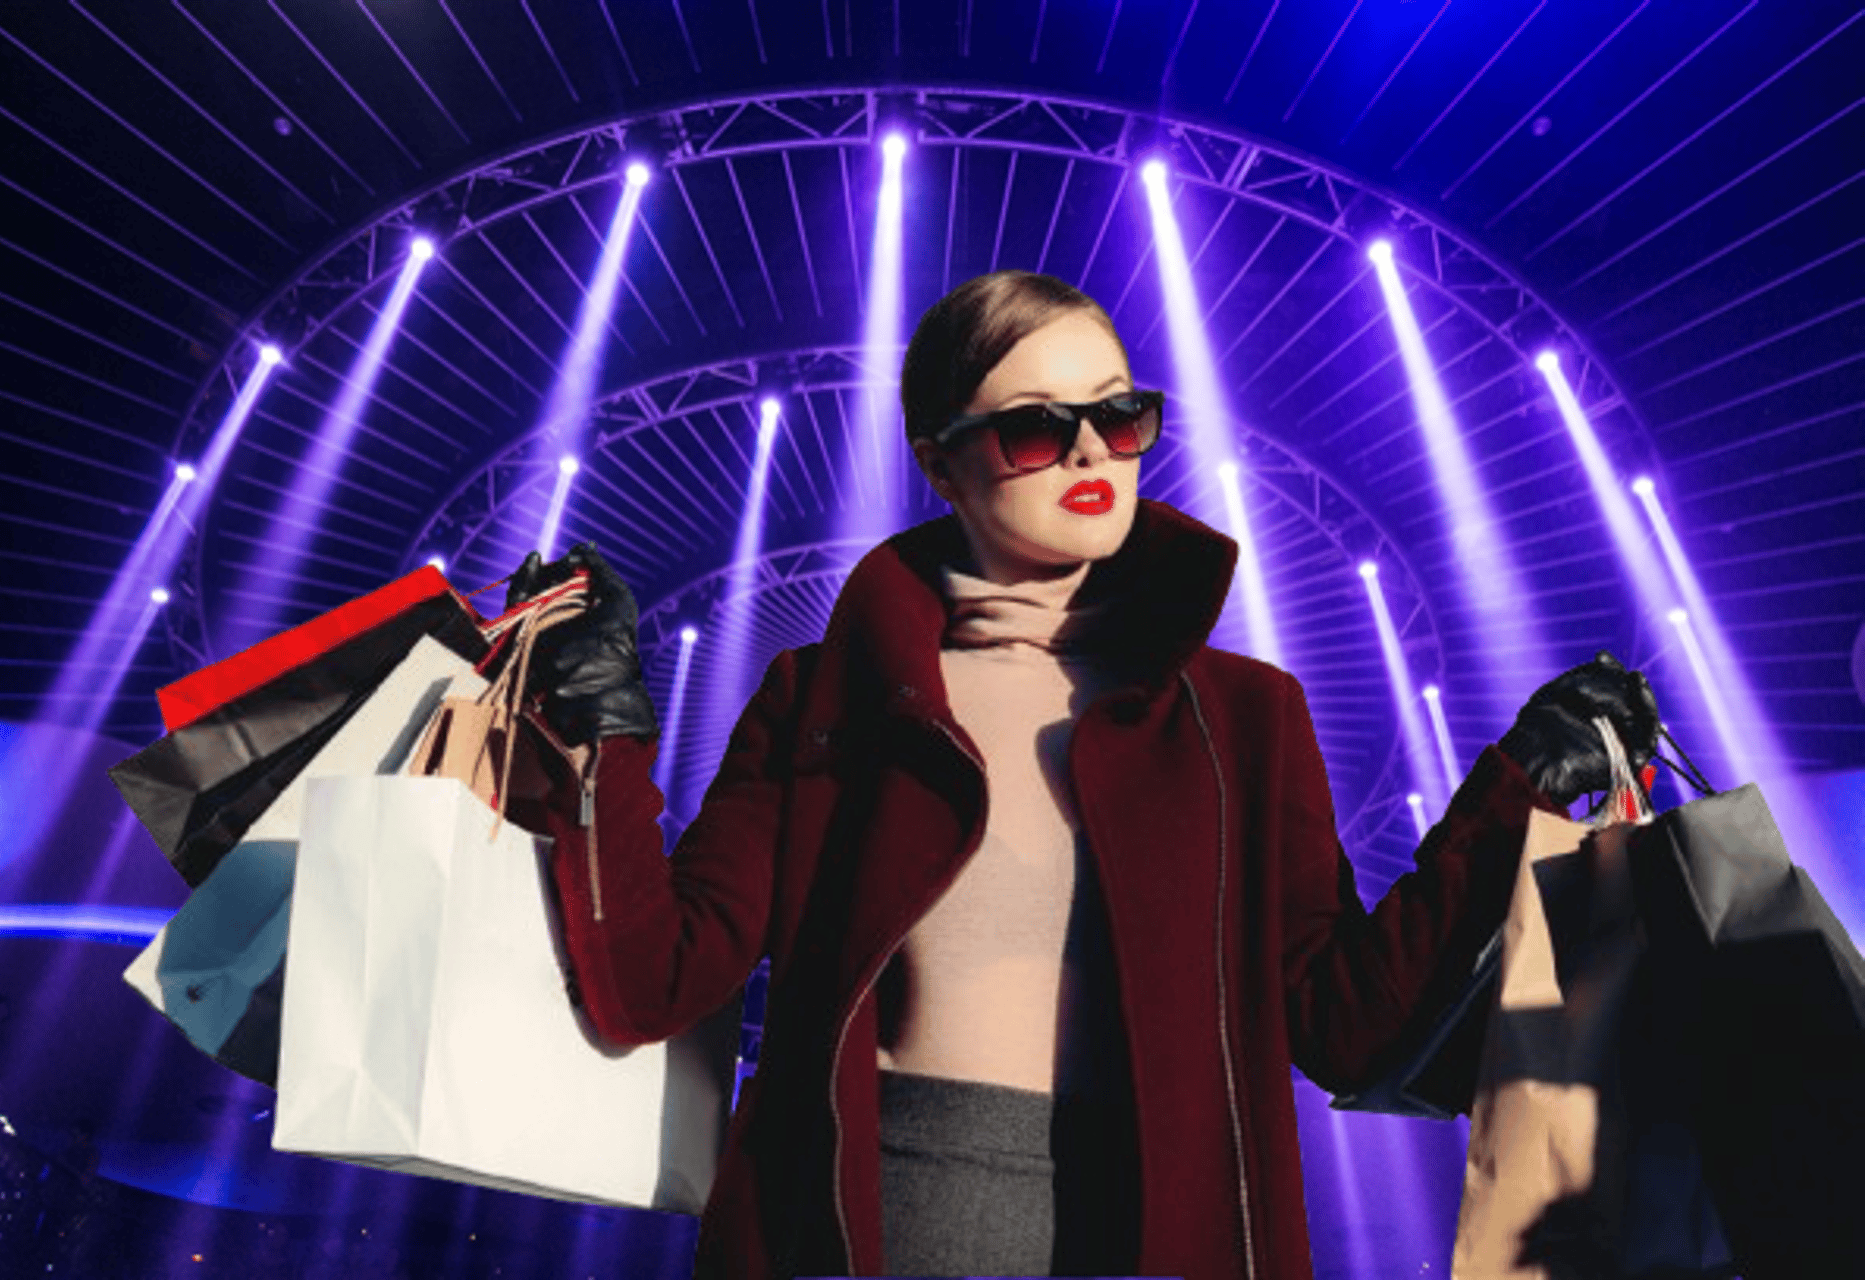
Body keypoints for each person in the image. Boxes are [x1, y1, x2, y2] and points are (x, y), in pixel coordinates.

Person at [507, 270, 1660, 1279]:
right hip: (874, 1229)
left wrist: (1512, 790)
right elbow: (652, 979)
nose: (1089, 452)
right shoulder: (826, 697)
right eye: (1032, 428)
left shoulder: (1245, 717)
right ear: (938, 461)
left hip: (1156, 1237)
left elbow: (1345, 1027)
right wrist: (603, 729)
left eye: (1119, 415)